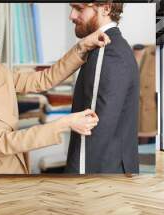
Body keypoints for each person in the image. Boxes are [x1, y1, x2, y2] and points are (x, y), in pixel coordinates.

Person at [0, 20, 110, 174]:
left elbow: (43, 79)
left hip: (19, 167)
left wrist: (81, 47)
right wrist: (66, 123)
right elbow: (3, 141)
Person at [65, 2, 140, 174]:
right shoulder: (116, 47)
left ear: (106, 8)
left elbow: (91, 133)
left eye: (79, 8)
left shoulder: (106, 51)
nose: (72, 15)